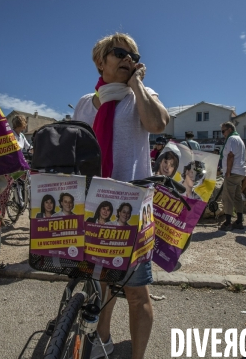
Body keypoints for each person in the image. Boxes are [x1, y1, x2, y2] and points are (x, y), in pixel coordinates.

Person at [72, 32, 169, 359]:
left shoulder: (141, 95)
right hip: (94, 205)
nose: (129, 59)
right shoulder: (86, 102)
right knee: (101, 280)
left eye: (134, 55)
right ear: (101, 62)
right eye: (120, 53)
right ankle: (103, 340)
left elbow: (157, 123)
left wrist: (138, 84)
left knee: (136, 291)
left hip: (132, 205)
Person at [219, 122, 246, 231]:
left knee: (228, 197)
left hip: (233, 172)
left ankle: (228, 223)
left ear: (229, 129)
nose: (222, 134)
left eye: (223, 131)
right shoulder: (240, 139)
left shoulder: (231, 139)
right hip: (240, 172)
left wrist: (228, 172)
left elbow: (230, 155)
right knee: (237, 196)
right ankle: (239, 220)